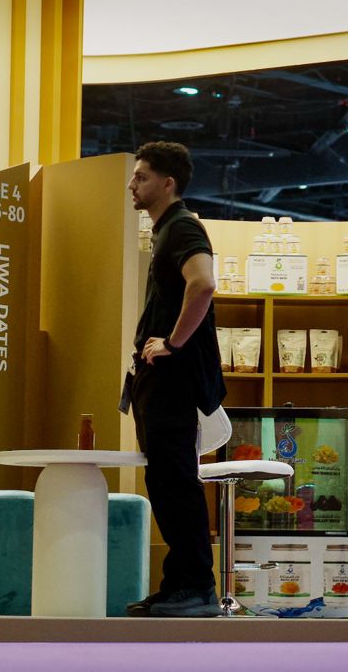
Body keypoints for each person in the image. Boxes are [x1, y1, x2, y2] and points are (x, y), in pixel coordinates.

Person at [123, 141, 225, 618]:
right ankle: (180, 583)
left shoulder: (182, 226)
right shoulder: (167, 229)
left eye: (141, 176)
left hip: (173, 379)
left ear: (168, 184)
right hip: (161, 380)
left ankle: (198, 587)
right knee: (165, 481)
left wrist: (173, 343)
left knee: (176, 482)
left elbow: (203, 283)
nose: (132, 184)